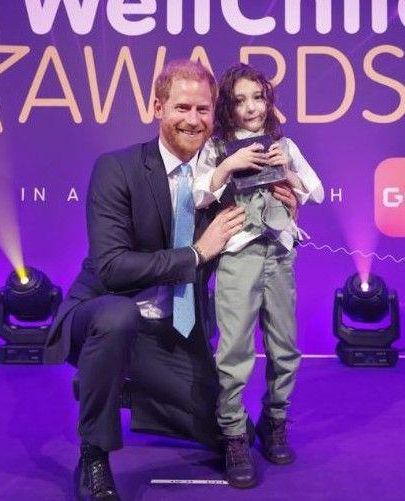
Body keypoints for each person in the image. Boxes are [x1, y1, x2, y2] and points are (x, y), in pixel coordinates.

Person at [41, 59, 301, 501]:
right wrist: (197, 253)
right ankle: (94, 453)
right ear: (157, 107)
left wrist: (286, 212)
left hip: (173, 329)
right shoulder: (116, 168)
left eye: (203, 109)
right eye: (182, 108)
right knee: (117, 317)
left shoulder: (228, 174)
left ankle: (130, 384)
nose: (193, 120)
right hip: (103, 311)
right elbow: (112, 268)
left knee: (226, 435)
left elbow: (248, 250)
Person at [193, 63, 324, 488]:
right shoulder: (217, 147)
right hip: (239, 255)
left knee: (285, 346)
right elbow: (199, 193)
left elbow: (315, 190)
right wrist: (231, 164)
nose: (252, 107)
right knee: (233, 352)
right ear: (228, 107)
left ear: (269, 100)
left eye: (259, 97)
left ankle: (274, 420)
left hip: (281, 253)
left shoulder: (284, 144)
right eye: (241, 100)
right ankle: (233, 434)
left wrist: (287, 171)